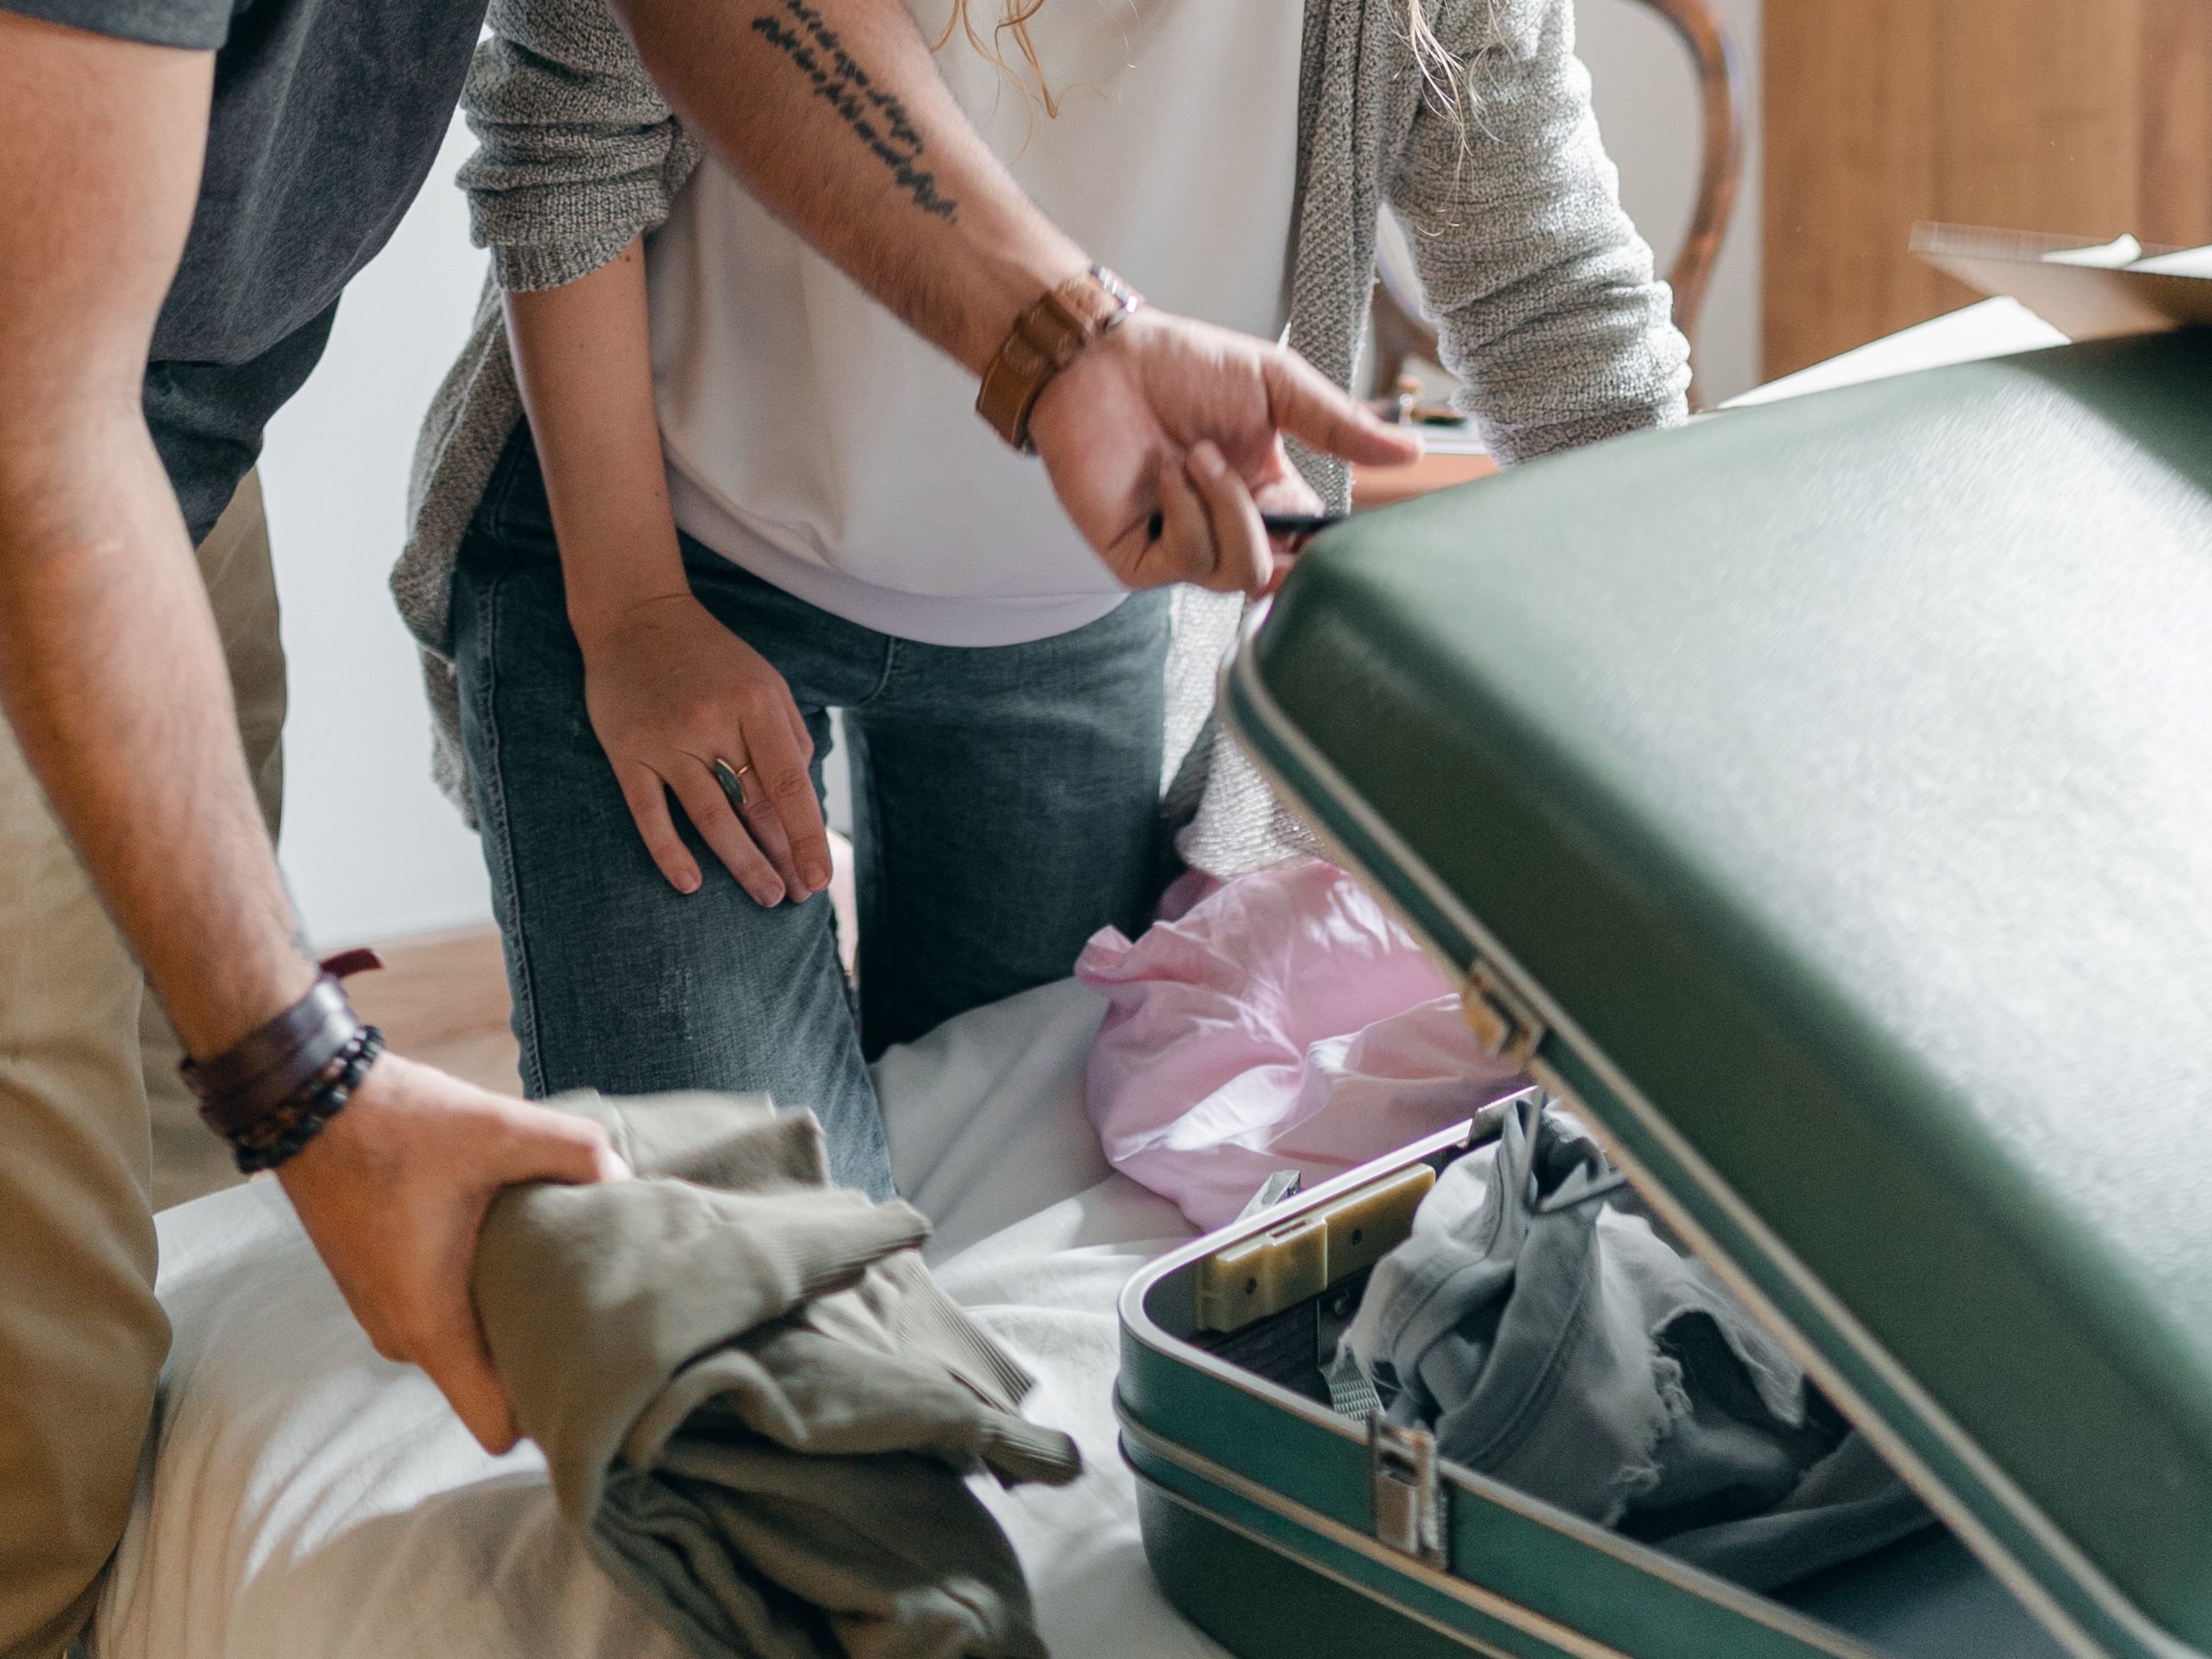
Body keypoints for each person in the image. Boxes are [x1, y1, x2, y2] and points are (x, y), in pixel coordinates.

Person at [0, 0, 1413, 1649]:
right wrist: (313, 1090)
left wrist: (1065, 341)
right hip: (57, 446)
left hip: (167, 429)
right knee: (46, 1404)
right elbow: (35, 436)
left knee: (168, 1191)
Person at [395, 0, 1691, 1197]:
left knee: (1019, 1192)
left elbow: (1554, 300)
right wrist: (628, 616)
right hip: (665, 567)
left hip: (1064, 629)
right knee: (761, 1263)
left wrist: (1716, 686)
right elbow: (563, 151)